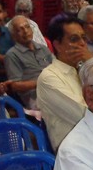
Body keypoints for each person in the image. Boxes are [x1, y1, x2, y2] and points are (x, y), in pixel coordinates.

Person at [36, 18, 89, 151]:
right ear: (57, 45)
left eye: (83, 38)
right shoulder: (49, 77)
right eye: (74, 39)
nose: (82, 44)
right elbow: (84, 116)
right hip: (75, 151)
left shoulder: (85, 70)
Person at [5, 15, 53, 109]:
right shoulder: (12, 55)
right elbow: (15, 86)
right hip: (35, 97)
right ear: (14, 36)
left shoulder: (43, 48)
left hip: (54, 89)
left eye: (27, 27)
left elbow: (57, 68)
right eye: (20, 29)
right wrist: (42, 82)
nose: (25, 31)